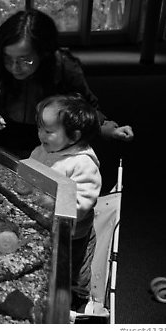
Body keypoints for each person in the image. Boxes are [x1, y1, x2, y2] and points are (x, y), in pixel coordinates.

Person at [0, 9, 134, 159]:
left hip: (50, 144)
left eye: (25, 60)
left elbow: (84, 107)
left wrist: (106, 128)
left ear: (43, 53)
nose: (15, 68)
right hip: (0, 140)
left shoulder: (63, 67)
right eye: (7, 58)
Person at [30, 93, 102, 312]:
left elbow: (82, 201)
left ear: (73, 136)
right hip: (47, 225)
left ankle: (79, 301)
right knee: (51, 265)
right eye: (40, 127)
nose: (41, 134)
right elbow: (32, 171)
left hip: (75, 234)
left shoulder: (82, 163)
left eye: (49, 131)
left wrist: (49, 201)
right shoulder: (43, 150)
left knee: (76, 271)